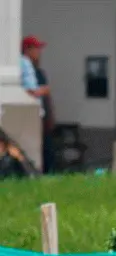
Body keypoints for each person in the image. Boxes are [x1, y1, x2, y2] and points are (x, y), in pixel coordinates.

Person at [20, 36, 51, 172]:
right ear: (28, 50)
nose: (39, 52)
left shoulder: (35, 69)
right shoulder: (23, 64)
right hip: (28, 114)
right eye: (36, 48)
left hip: (38, 114)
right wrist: (42, 91)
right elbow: (28, 91)